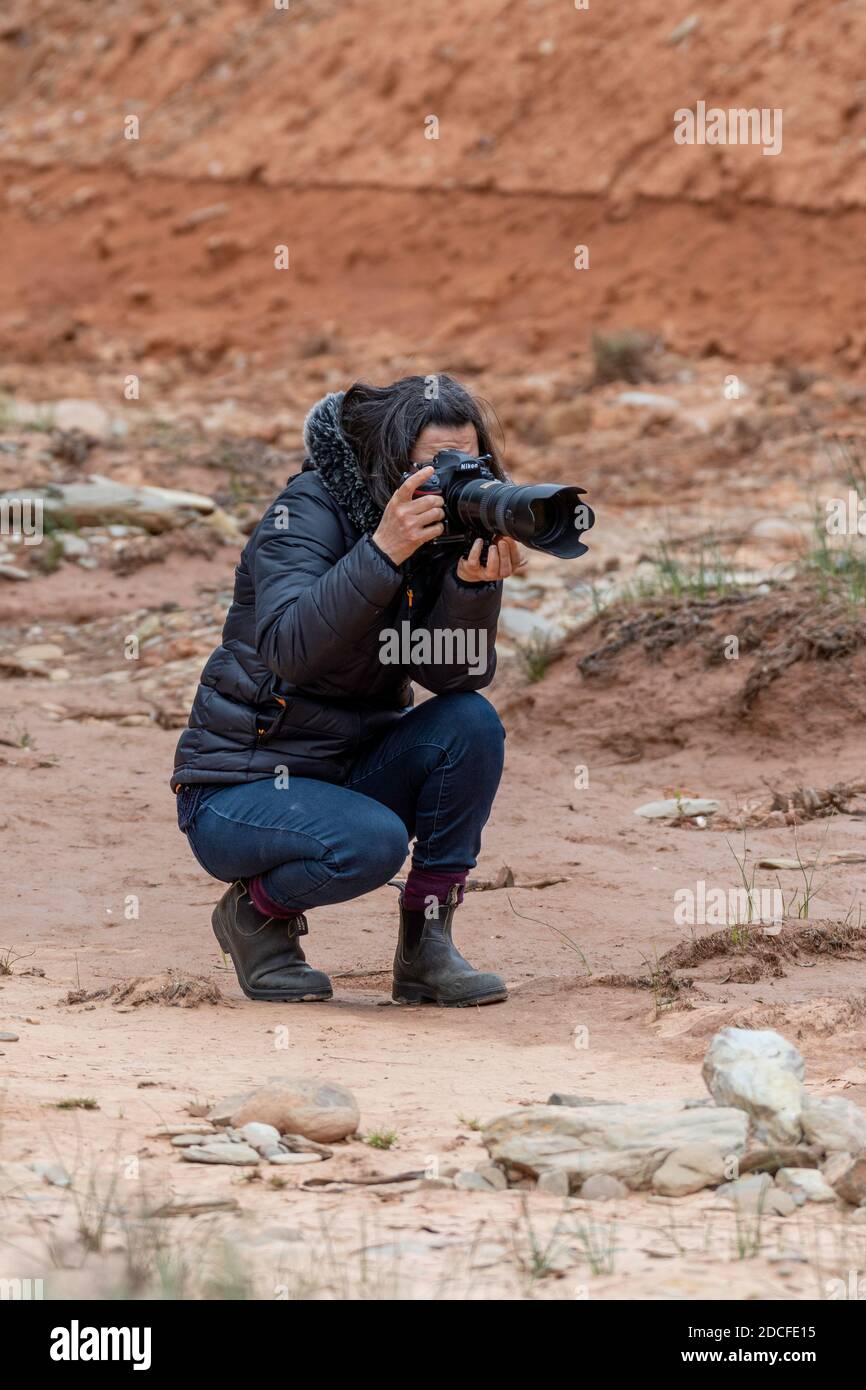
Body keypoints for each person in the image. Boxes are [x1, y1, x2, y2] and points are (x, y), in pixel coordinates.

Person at [171, 375, 525, 1006]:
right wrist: (383, 550)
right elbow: (292, 648)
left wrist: (472, 587)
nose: (453, 480)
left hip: (346, 773)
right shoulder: (305, 510)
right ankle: (254, 916)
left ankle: (428, 948)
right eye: (434, 466)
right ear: (386, 462)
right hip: (240, 789)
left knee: (470, 722)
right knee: (370, 842)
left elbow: (452, 676)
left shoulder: (436, 528)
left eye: (467, 464)